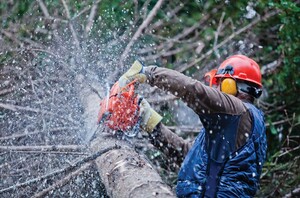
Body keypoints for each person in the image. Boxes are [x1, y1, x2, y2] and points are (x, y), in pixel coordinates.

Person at [118, 54, 267, 197]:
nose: (217, 89)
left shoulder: (237, 111)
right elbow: (193, 160)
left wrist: (147, 73)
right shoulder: (235, 121)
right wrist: (153, 126)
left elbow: (194, 91)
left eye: (220, 83)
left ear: (231, 85)